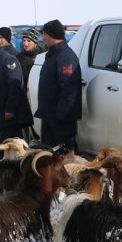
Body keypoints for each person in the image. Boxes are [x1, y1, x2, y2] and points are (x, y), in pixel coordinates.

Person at [34, 19, 82, 151]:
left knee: (63, 156)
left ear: (50, 35)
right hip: (50, 115)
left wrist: (61, 114)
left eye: (44, 34)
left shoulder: (65, 56)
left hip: (60, 118)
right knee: (49, 155)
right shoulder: (53, 54)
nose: (43, 38)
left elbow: (69, 87)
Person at [0, 32, 33, 146]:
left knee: (10, 147)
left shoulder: (8, 60)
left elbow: (14, 86)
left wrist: (10, 109)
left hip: (8, 117)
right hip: (0, 115)